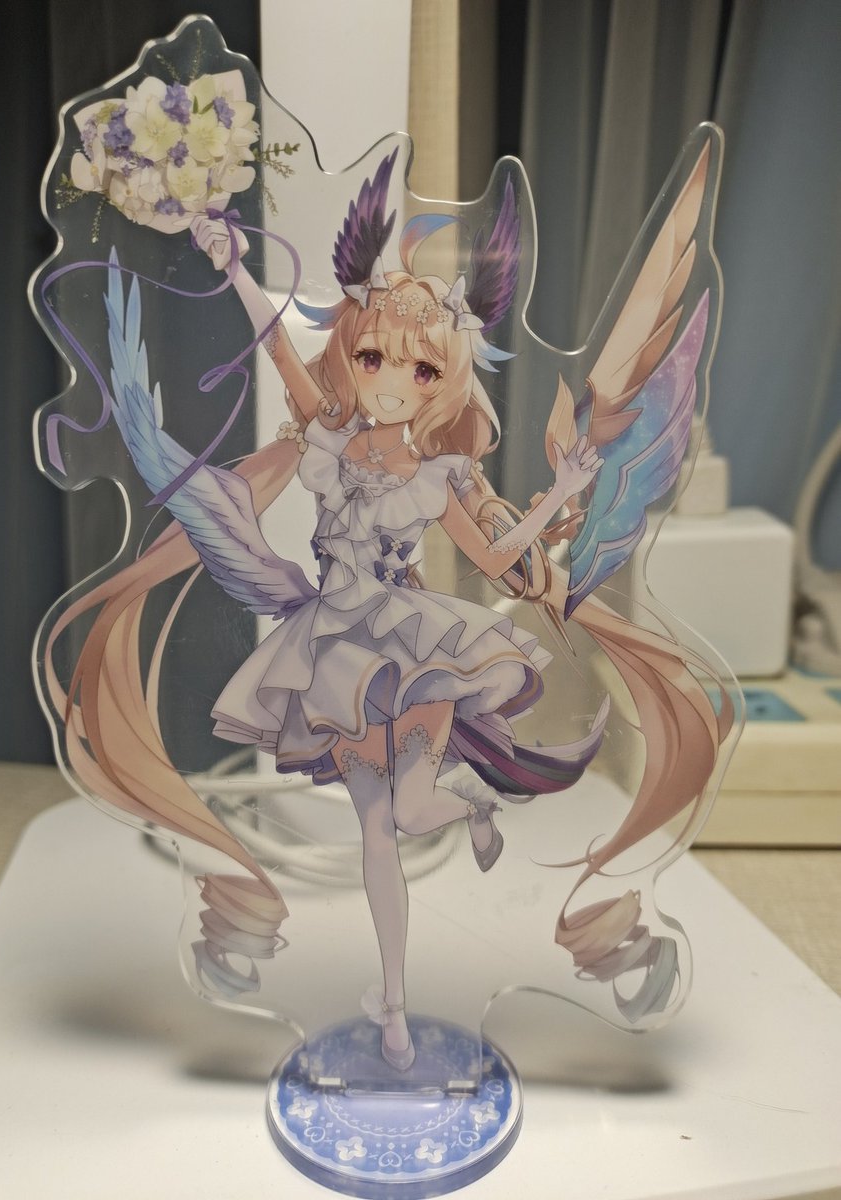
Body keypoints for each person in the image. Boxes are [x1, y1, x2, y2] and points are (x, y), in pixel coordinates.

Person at [39, 148, 731, 1071]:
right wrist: (233, 265)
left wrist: (558, 495)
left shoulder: (441, 474)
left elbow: (494, 561)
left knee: (405, 803)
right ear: (351, 358)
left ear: (445, 380)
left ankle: (467, 799)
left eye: (421, 369)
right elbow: (276, 345)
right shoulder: (329, 435)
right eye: (372, 357)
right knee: (379, 829)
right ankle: (397, 1005)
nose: (392, 380)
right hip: (331, 640)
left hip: (409, 640)